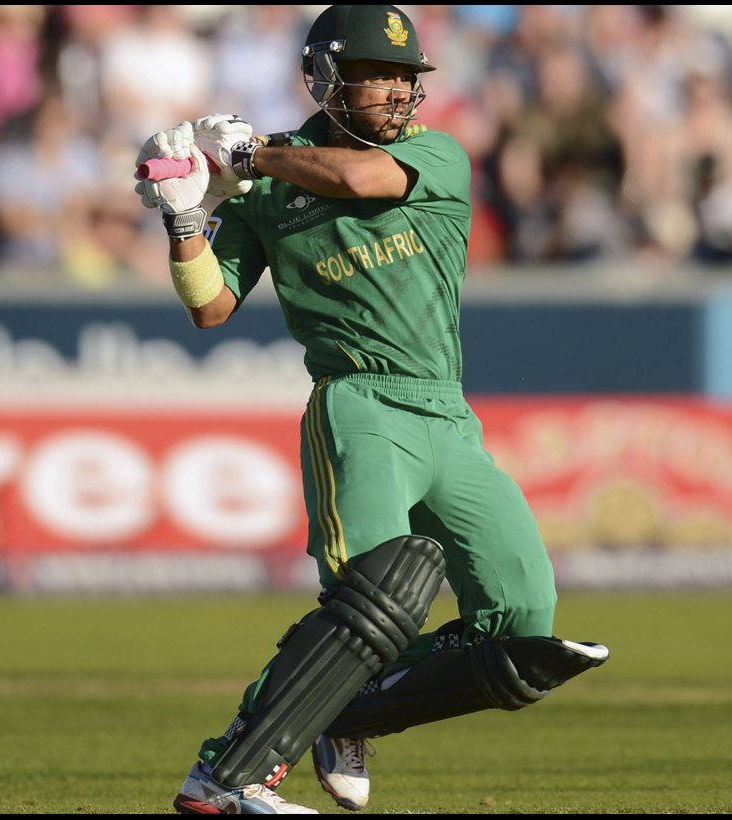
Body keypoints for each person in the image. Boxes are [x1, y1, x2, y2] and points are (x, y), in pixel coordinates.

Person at [132, 5, 611, 814]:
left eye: (403, 76)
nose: (394, 91)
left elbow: (357, 179)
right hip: (359, 407)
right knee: (380, 594)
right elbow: (211, 305)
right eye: (373, 75)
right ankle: (231, 771)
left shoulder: (436, 154)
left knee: (523, 626)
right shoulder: (265, 194)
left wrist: (253, 154)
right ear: (324, 79)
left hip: (448, 417)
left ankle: (343, 711)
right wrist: (185, 220)